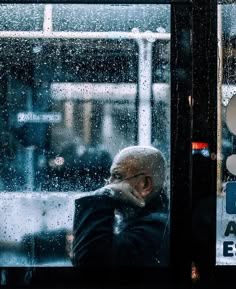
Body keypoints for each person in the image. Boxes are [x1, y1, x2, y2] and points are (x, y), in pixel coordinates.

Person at [72, 145, 169, 267]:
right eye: (109, 177)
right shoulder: (149, 221)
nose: (109, 184)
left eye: (117, 176)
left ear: (145, 185)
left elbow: (88, 261)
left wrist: (103, 195)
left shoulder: (154, 230)